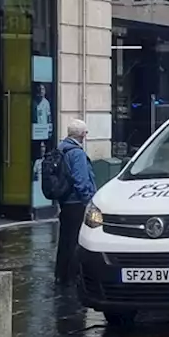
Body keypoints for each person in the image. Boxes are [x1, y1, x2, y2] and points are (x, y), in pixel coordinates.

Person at [56, 120, 98, 285]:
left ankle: (61, 274)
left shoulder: (60, 148)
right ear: (81, 134)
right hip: (76, 202)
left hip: (64, 200)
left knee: (65, 240)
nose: (86, 136)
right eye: (86, 133)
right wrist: (88, 200)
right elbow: (81, 180)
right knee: (76, 240)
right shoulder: (77, 153)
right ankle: (73, 277)